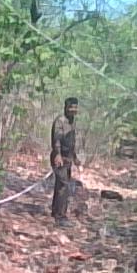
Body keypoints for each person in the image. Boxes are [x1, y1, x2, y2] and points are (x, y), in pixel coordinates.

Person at [50, 97, 81, 227]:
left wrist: (75, 157)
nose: (73, 110)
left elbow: (71, 142)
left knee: (61, 185)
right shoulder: (60, 121)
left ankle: (55, 212)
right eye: (71, 107)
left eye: (75, 107)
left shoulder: (72, 122)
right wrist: (57, 155)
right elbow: (56, 139)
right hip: (59, 157)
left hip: (68, 158)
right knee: (64, 186)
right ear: (66, 107)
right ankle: (60, 217)